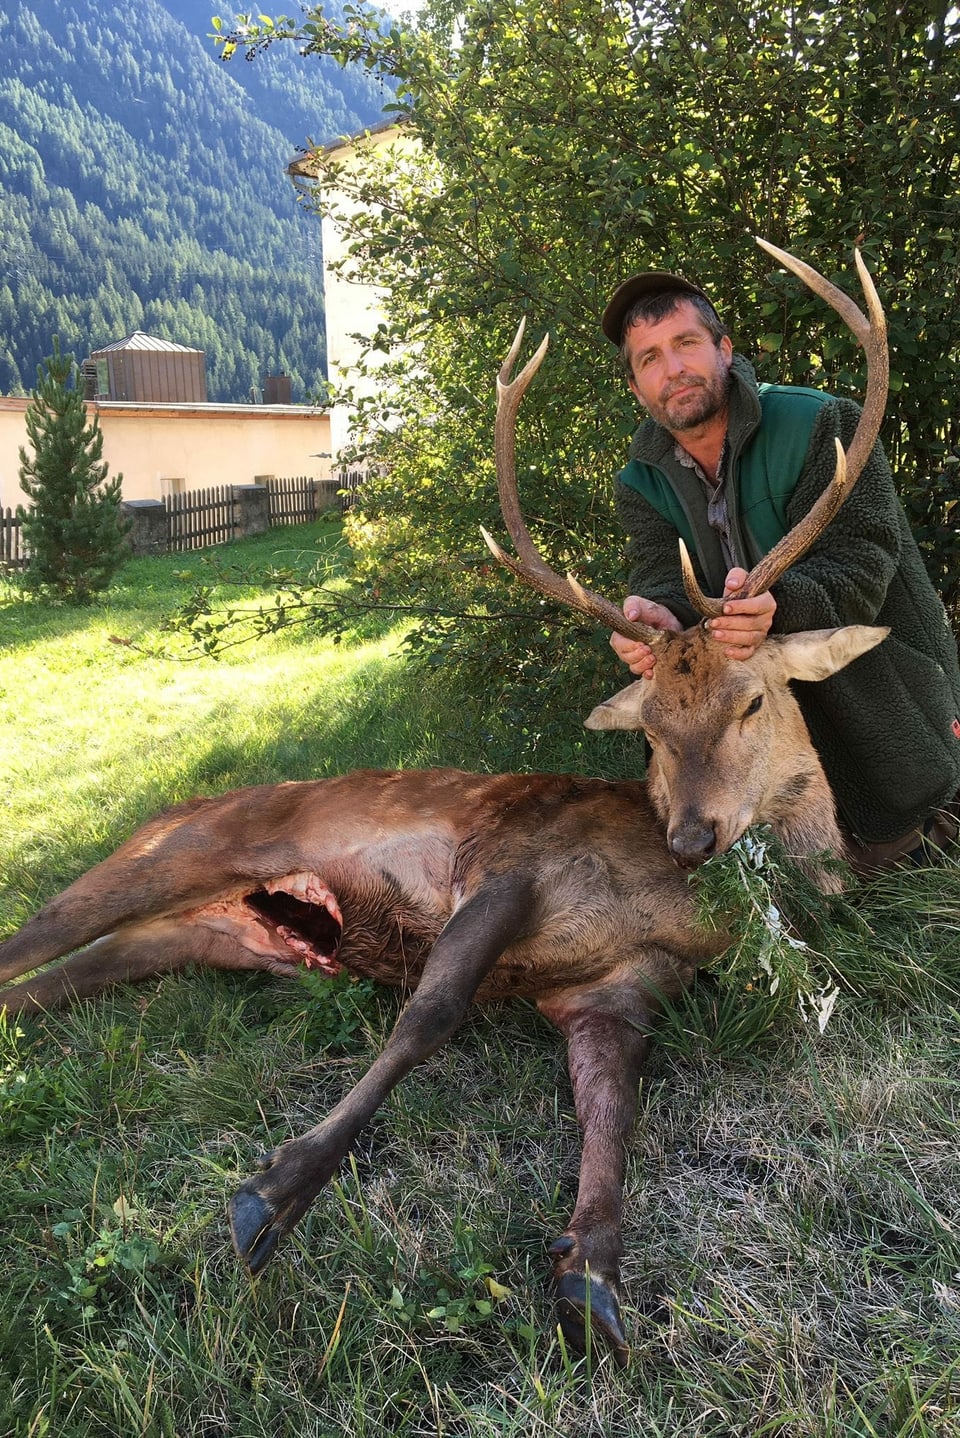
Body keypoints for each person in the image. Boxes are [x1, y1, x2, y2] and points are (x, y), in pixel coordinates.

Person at [601, 268, 960, 867]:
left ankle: (907, 823)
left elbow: (863, 560)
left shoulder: (819, 424)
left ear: (724, 350)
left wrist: (779, 607)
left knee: (901, 833)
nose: (673, 369)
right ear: (637, 388)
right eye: (649, 359)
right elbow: (660, 573)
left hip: (878, 676)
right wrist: (656, 613)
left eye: (687, 343)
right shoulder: (641, 481)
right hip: (746, 680)